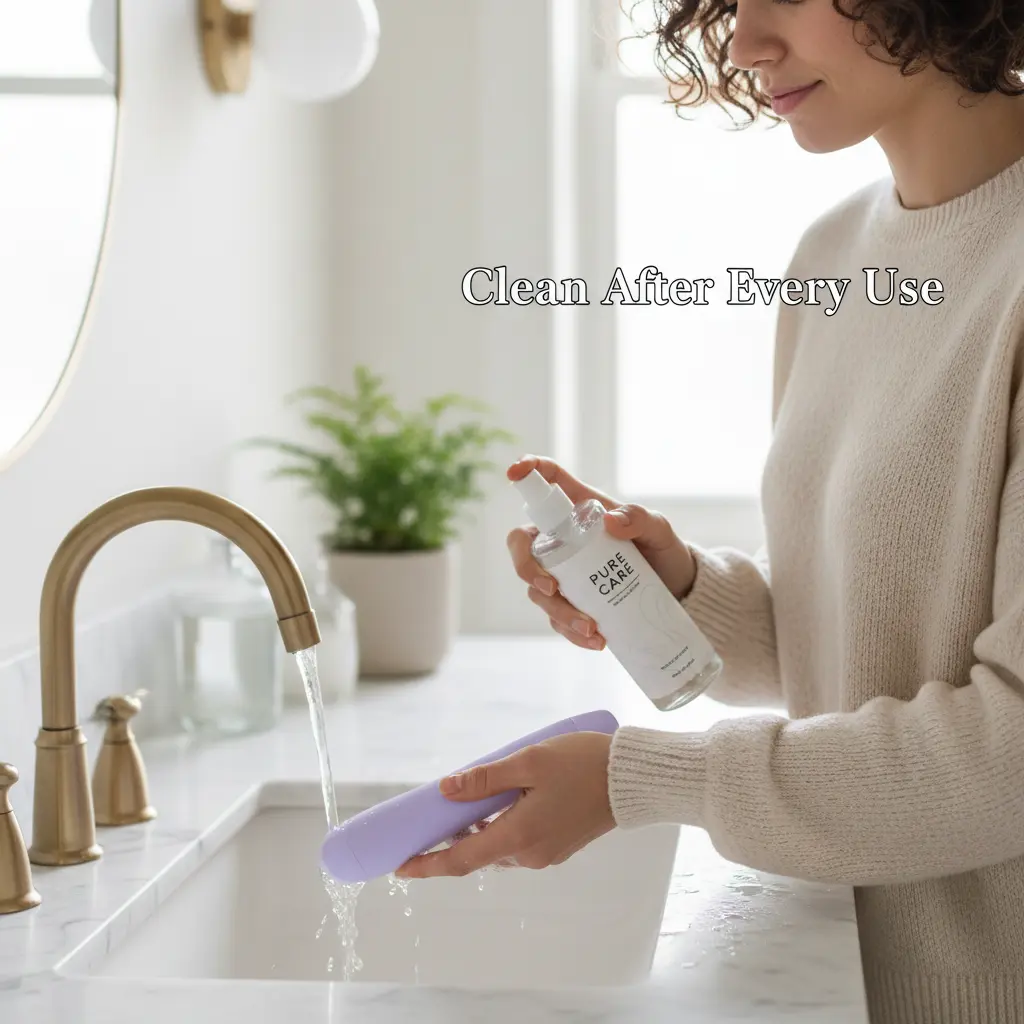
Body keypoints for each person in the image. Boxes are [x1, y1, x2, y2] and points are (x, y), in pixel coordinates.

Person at [396, 3, 1024, 1022]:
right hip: (850, 968)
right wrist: (677, 590)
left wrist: (633, 781)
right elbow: (859, 652)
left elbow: (1009, 755)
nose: (742, 43)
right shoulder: (832, 256)